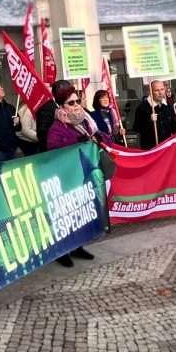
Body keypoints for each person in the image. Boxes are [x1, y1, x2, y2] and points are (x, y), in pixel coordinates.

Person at [46, 80, 104, 267]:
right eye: (71, 103)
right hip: (65, 177)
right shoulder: (57, 127)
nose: (76, 105)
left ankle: (78, 246)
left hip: (81, 176)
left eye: (77, 101)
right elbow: (54, 149)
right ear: (62, 107)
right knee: (65, 216)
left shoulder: (86, 122)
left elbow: (98, 136)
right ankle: (61, 251)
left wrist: (98, 138)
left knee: (80, 213)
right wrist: (78, 141)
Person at [133, 80, 176, 150]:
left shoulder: (168, 106)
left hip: (166, 148)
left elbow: (173, 128)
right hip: (150, 149)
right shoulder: (142, 107)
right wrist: (149, 121)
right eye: (157, 90)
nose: (160, 93)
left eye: (162, 89)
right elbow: (137, 129)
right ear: (150, 92)